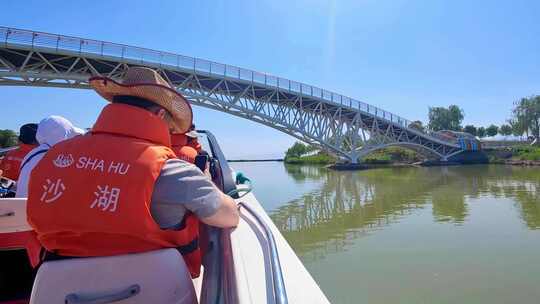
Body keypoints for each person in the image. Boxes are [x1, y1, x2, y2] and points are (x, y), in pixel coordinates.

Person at [27, 67, 239, 278]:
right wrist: (206, 182)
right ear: (160, 114)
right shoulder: (173, 172)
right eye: (171, 125)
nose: (171, 131)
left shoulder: (52, 158)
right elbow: (229, 216)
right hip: (152, 290)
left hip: (59, 288)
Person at [16, 116, 84, 198]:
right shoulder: (56, 156)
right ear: (64, 134)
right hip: (40, 207)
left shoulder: (32, 154)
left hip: (22, 207)